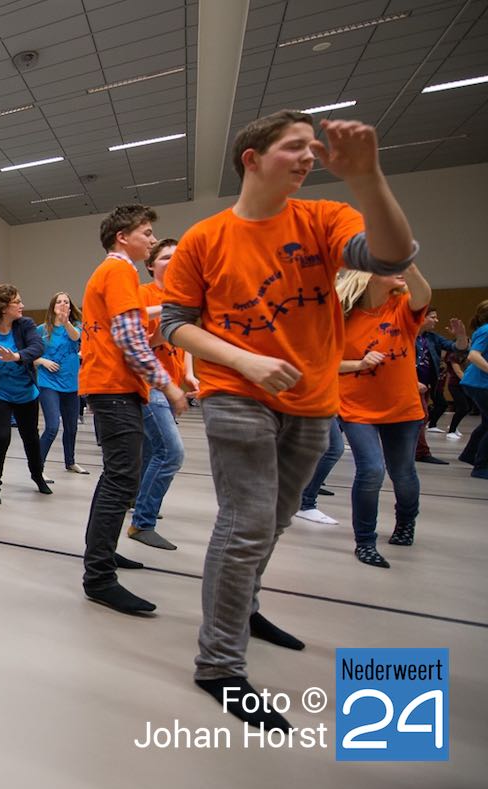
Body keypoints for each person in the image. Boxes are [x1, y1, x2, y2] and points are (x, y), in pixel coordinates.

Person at [161, 111, 418, 730]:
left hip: (312, 399)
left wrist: (367, 177)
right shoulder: (204, 239)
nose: (309, 156)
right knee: (246, 523)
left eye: (313, 147)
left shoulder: (325, 219)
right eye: (294, 146)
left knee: (273, 522)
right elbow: (174, 324)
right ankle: (219, 664)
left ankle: (244, 609)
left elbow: (392, 254)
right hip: (235, 393)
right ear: (252, 158)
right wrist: (243, 360)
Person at [79, 204, 187, 617]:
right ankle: (99, 577)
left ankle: (101, 554)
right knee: (122, 479)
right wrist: (168, 384)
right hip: (114, 387)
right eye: (146, 233)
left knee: (117, 477)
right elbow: (129, 338)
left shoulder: (112, 273)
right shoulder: (119, 272)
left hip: (112, 386)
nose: (152, 240)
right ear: (122, 237)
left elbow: (133, 325)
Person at [335, 266, 432, 567]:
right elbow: (324, 364)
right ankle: (365, 541)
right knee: (371, 471)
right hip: (356, 407)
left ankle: (406, 521)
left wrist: (408, 264)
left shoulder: (402, 308)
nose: (398, 271)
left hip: (402, 408)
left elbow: (424, 294)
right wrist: (359, 364)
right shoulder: (341, 315)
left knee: (402, 473)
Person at [129, 239, 191, 550]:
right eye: (166, 257)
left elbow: (186, 339)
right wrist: (166, 322)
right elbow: (138, 343)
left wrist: (189, 374)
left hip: (171, 383)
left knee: (154, 451)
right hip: (150, 383)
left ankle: (139, 504)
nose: (173, 261)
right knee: (172, 452)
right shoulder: (144, 294)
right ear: (151, 265)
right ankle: (143, 522)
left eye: (178, 256)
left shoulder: (182, 296)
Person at [0, 284, 50, 504]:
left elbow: (38, 347)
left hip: (26, 393)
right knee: (1, 437)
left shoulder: (26, 325)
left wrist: (15, 356)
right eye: (17, 302)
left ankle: (37, 475)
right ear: (3, 307)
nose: (22, 305)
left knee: (31, 438)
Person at [34, 291, 87, 480]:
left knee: (72, 427)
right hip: (48, 383)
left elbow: (75, 337)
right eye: (59, 302)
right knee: (52, 427)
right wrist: (42, 361)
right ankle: (37, 467)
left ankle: (70, 462)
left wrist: (66, 322)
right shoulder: (41, 330)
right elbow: (28, 355)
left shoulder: (76, 326)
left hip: (71, 383)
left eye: (66, 302)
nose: (63, 304)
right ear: (52, 306)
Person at [414, 308, 468, 464]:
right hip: (410, 384)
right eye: (433, 317)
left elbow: (459, 348)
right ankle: (420, 452)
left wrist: (461, 336)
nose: (436, 320)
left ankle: (415, 451)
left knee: (420, 418)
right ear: (421, 317)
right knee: (421, 416)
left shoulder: (432, 337)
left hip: (426, 384)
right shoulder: (406, 335)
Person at [458, 300, 488, 478]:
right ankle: (481, 466)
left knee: (486, 423)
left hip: (477, 382)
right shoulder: (486, 330)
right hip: (480, 383)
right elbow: (473, 355)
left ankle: (470, 455)